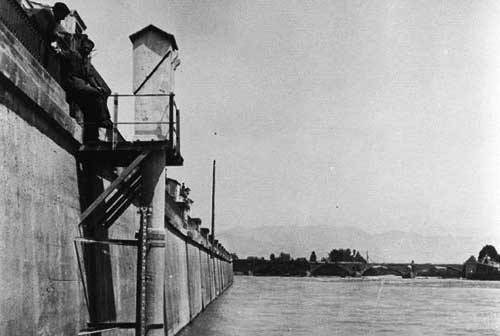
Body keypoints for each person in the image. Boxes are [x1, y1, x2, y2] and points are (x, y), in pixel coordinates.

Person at [58, 36, 113, 141]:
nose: (87, 51)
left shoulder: (85, 61)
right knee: (95, 94)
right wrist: (56, 48)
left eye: (89, 50)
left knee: (99, 95)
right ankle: (103, 119)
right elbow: (61, 54)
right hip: (72, 83)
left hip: (80, 85)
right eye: (85, 48)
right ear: (81, 47)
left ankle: (97, 130)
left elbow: (89, 76)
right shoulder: (73, 54)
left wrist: (97, 86)